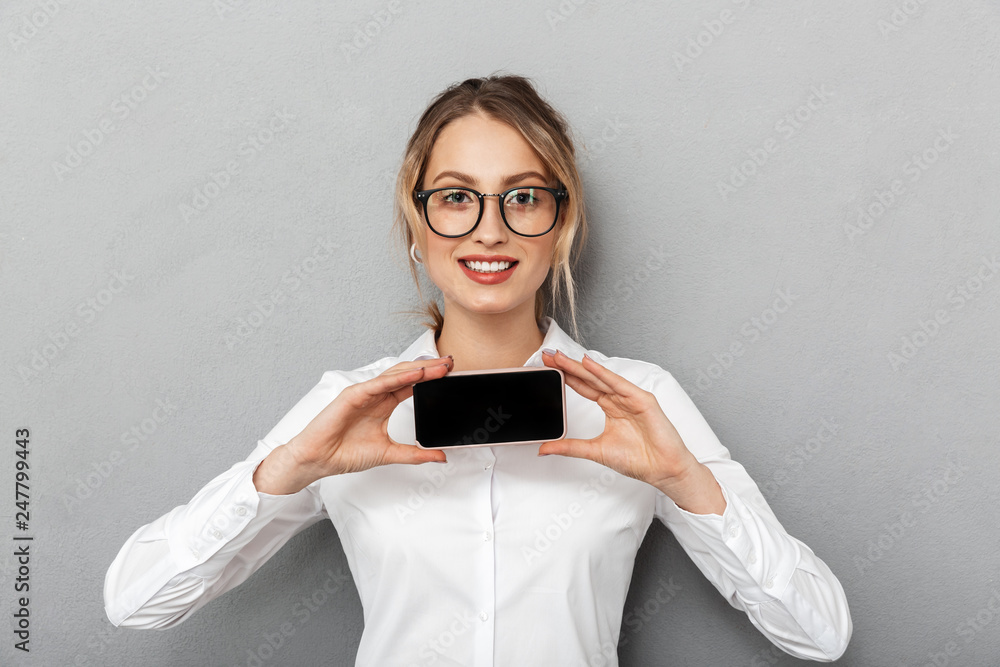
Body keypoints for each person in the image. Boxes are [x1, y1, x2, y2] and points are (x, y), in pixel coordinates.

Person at [104, 73, 852, 665]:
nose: (489, 229)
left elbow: (821, 632)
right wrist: (281, 473)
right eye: (457, 197)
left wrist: (688, 483)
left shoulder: (641, 400)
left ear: (560, 224)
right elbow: (135, 601)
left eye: (523, 197)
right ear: (416, 226)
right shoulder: (346, 407)